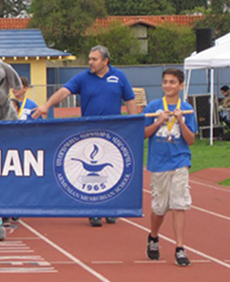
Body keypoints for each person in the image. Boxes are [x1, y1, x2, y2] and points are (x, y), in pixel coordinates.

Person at [33, 45, 137, 227]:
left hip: (113, 133)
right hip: (90, 133)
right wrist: (47, 105)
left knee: (112, 171)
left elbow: (130, 100)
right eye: (89, 59)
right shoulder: (83, 78)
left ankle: (111, 208)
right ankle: (93, 211)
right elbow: (64, 91)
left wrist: (133, 123)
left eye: (94, 59)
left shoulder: (119, 77)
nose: (90, 62)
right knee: (91, 172)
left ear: (105, 61)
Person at [143, 68, 197, 267]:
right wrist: (158, 121)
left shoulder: (186, 108)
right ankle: (154, 237)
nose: (168, 85)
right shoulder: (153, 106)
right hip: (158, 163)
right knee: (160, 207)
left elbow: (191, 140)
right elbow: (143, 134)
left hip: (180, 161)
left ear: (180, 86)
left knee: (179, 204)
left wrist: (181, 121)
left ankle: (180, 248)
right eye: (165, 81)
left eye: (172, 82)